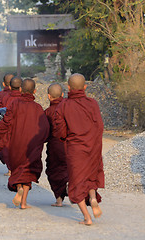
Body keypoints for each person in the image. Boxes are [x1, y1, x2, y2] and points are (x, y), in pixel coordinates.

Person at [53, 73, 104, 225]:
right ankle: (93, 198)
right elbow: (100, 126)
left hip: (75, 149)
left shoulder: (63, 105)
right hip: (93, 147)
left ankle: (87, 217)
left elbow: (60, 131)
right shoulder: (93, 103)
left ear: (68, 87)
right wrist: (94, 142)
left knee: (76, 183)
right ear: (85, 87)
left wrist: (67, 139)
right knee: (91, 176)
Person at [0, 79, 49, 209]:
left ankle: (19, 188)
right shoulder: (38, 108)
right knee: (28, 171)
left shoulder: (14, 104)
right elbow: (45, 128)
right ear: (35, 91)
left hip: (16, 144)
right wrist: (41, 140)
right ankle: (23, 203)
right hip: (32, 146)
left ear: (21, 90)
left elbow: (6, 122)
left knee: (17, 169)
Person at [44, 83, 68, 207]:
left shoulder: (48, 112)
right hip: (71, 145)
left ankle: (59, 199)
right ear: (63, 95)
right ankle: (70, 186)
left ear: (49, 96)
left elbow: (44, 131)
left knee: (54, 171)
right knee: (70, 169)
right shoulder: (70, 108)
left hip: (54, 146)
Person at [0, 75, 20, 176]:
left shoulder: (2, 95)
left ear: (4, 84)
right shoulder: (23, 98)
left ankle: (10, 169)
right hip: (19, 126)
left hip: (5, 125)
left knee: (6, 146)